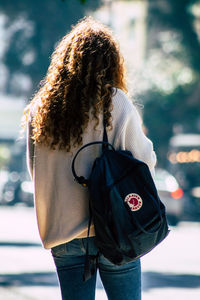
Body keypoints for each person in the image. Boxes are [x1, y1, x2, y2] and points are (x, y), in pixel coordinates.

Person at [23, 16, 156, 300]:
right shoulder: (115, 101)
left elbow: (36, 171)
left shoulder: (41, 109)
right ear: (111, 62)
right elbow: (144, 161)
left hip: (64, 233)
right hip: (116, 228)